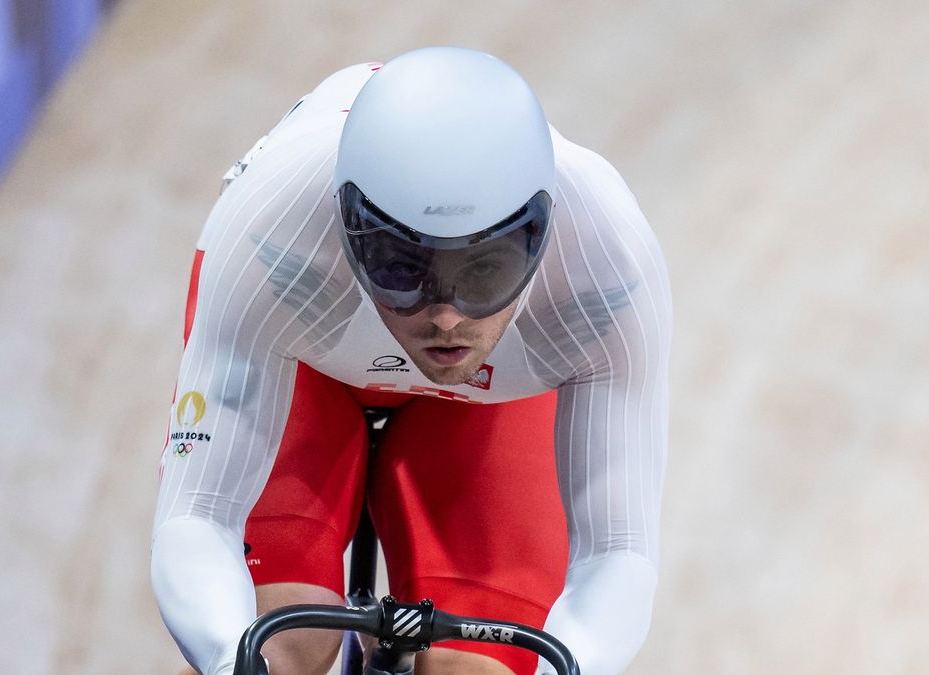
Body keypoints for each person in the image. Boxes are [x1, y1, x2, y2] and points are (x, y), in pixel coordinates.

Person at [152, 46, 672, 675]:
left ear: (540, 237)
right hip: (302, 360)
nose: (447, 317)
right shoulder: (270, 227)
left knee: (471, 669)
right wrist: (228, 657)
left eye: (484, 272)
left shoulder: (605, 263)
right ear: (346, 226)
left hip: (494, 395)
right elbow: (197, 516)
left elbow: (617, 551)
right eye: (401, 267)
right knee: (278, 642)